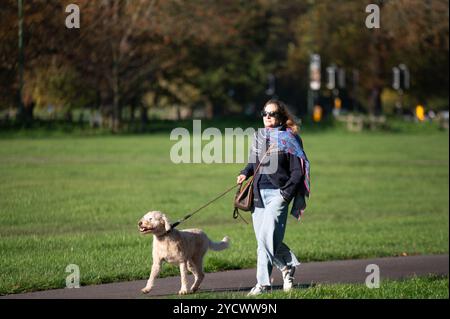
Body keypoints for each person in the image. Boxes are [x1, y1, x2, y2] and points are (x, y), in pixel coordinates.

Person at [237, 99, 310, 296]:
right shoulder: (259, 136)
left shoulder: (290, 138)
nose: (267, 117)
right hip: (258, 193)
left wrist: (286, 194)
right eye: (264, 113)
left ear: (281, 117)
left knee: (266, 238)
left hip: (279, 194)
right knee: (264, 238)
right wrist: (245, 172)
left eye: (272, 114)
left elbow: (298, 171)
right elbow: (253, 162)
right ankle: (287, 267)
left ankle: (262, 284)